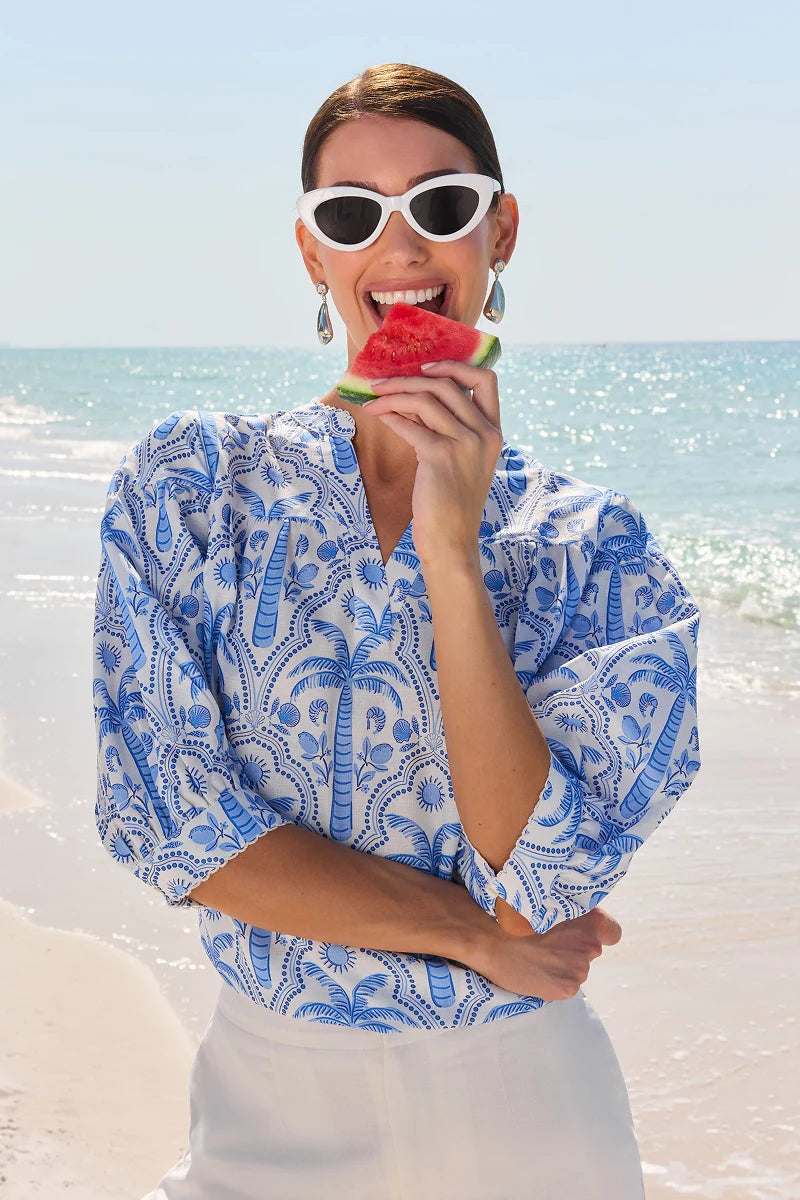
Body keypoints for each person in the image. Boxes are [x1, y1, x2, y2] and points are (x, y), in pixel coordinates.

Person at [93, 63, 701, 1200]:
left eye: (440, 204)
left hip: (528, 1117)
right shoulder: (190, 485)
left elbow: (540, 881)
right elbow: (168, 824)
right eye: (351, 214)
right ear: (310, 253)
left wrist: (452, 556)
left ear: (499, 230)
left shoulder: (598, 550)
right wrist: (467, 937)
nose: (402, 247)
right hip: (263, 1106)